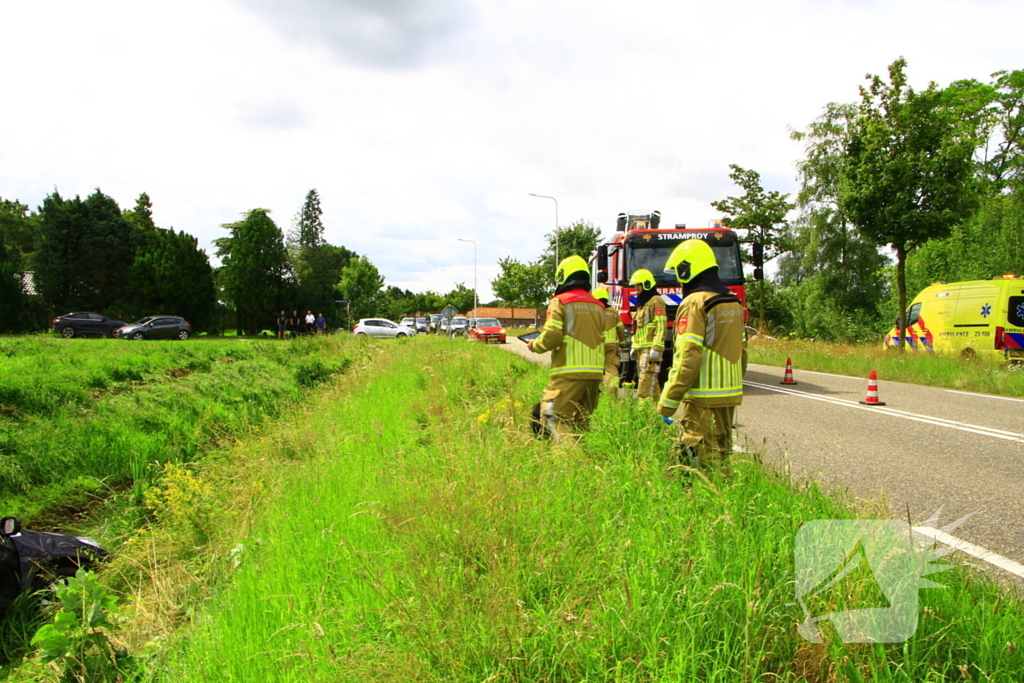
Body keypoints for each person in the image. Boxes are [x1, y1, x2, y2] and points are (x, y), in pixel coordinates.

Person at [657, 239, 745, 471]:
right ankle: (726, 502)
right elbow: (742, 351)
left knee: (701, 459)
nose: (677, 278)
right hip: (729, 395)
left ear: (688, 269)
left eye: (678, 272)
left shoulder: (695, 302)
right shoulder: (733, 302)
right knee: (721, 454)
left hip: (702, 397)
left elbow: (688, 356)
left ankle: (707, 504)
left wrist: (667, 402)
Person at [527, 255, 605, 442]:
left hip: (569, 371)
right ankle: (588, 463)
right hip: (594, 374)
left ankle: (571, 464)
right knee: (581, 422)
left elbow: (553, 334)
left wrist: (535, 345)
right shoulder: (599, 305)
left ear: (563, 276)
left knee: (555, 417)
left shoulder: (561, 301)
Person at [629, 268, 666, 399]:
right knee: (650, 381)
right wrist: (634, 346)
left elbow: (661, 325)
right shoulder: (642, 302)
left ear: (647, 284)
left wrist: (656, 347)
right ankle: (656, 412)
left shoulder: (656, 300)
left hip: (650, 348)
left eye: (638, 285)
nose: (635, 288)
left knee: (646, 379)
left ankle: (642, 409)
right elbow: (639, 328)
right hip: (641, 348)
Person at [593, 287, 625, 388]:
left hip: (597, 344)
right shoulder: (613, 312)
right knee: (611, 368)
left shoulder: (593, 311)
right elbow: (621, 328)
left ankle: (598, 392)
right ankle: (612, 391)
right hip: (611, 345)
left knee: (596, 369)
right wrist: (622, 343)